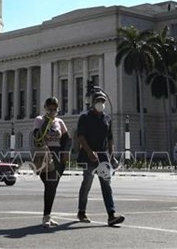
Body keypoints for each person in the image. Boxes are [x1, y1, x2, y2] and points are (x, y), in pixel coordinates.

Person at [76, 88, 125, 226]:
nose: (101, 103)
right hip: (88, 156)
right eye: (98, 101)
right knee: (87, 184)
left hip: (103, 157)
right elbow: (80, 137)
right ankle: (81, 212)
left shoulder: (107, 118)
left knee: (106, 185)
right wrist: (89, 151)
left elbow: (110, 139)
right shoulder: (84, 118)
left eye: (103, 101)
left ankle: (111, 215)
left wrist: (112, 156)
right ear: (93, 103)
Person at [33, 97, 70, 228]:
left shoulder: (60, 121)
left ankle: (47, 216)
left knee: (52, 187)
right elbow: (38, 136)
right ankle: (46, 216)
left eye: (55, 109)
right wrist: (48, 120)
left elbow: (67, 138)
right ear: (45, 108)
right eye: (50, 109)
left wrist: (66, 152)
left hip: (58, 156)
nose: (53, 111)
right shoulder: (39, 120)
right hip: (45, 155)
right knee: (50, 184)